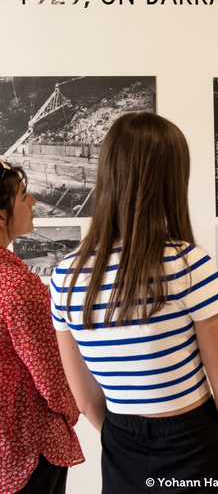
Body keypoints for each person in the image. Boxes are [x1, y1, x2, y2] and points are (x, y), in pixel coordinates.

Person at [50, 112, 218, 494]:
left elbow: (87, 399)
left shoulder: (66, 277)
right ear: (172, 178)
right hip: (195, 441)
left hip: (122, 445)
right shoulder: (188, 263)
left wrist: (129, 437)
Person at [0, 159, 84, 494]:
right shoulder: (18, 285)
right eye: (23, 196)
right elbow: (52, 374)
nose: (33, 201)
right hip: (28, 446)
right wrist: (75, 410)